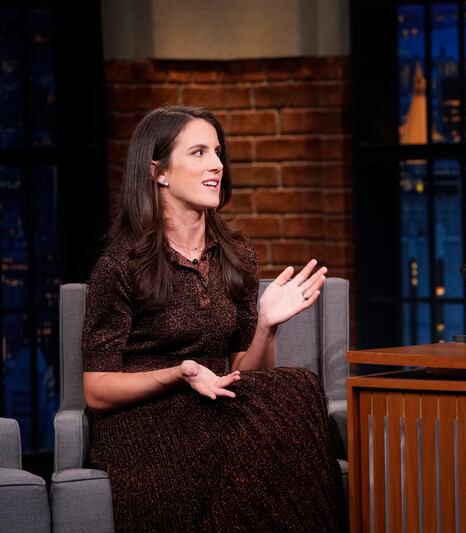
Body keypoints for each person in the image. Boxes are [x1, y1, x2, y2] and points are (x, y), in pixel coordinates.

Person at [82, 106, 342, 531]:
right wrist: (178, 374)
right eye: (199, 152)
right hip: (144, 421)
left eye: (218, 152)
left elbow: (245, 374)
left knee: (298, 386)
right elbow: (96, 390)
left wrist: (266, 326)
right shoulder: (121, 265)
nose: (217, 165)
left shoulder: (236, 257)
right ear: (159, 172)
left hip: (213, 405)